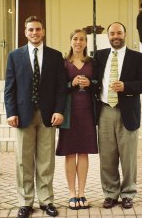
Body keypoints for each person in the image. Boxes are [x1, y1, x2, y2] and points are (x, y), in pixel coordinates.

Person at [4, 16, 67, 218]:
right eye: (30, 29)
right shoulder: (14, 56)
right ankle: (25, 202)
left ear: (43, 31)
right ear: (25, 32)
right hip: (23, 115)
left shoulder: (55, 56)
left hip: (48, 115)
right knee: (23, 160)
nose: (34, 32)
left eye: (38, 29)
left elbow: (60, 88)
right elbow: (9, 89)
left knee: (46, 161)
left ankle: (47, 201)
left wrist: (59, 110)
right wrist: (11, 112)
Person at [94, 22, 142, 209]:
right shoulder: (99, 56)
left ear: (125, 34)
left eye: (119, 33)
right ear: (108, 36)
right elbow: (95, 81)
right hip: (104, 111)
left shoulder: (138, 57)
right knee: (107, 157)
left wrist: (126, 86)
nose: (115, 36)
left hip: (127, 112)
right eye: (112, 33)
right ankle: (110, 193)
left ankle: (128, 193)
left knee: (128, 158)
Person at [56, 29, 98, 210]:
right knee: (70, 152)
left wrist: (91, 84)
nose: (78, 42)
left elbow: (99, 84)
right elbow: (57, 88)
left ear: (86, 42)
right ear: (70, 41)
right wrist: (70, 84)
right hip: (69, 113)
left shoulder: (92, 63)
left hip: (87, 112)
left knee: (83, 152)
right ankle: (72, 194)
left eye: (82, 39)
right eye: (75, 39)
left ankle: (82, 192)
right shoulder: (63, 63)